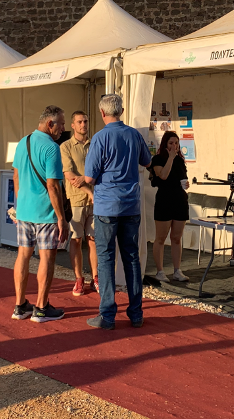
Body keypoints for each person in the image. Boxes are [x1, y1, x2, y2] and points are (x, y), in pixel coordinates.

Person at [83, 94, 152, 330]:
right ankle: (136, 313)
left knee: (106, 259)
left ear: (102, 113)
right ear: (121, 111)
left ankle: (107, 315)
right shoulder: (134, 134)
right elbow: (147, 161)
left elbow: (90, 177)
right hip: (130, 204)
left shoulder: (100, 138)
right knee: (131, 258)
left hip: (106, 206)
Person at [11, 106, 68, 323]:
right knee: (46, 258)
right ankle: (42, 307)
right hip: (45, 212)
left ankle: (20, 305)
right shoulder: (52, 148)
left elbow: (16, 176)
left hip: (25, 211)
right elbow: (53, 186)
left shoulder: (23, 142)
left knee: (23, 256)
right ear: (50, 124)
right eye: (61, 124)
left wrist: (21, 204)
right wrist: (61, 218)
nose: (63, 128)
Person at [61, 110, 97, 296]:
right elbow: (69, 174)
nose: (83, 125)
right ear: (73, 125)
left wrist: (86, 179)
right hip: (76, 199)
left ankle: (95, 278)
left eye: (85, 121)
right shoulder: (66, 146)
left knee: (93, 239)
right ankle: (78, 278)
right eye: (80, 122)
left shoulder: (95, 144)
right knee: (76, 239)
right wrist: (88, 188)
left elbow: (100, 169)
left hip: (95, 200)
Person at [150, 130, 191, 282]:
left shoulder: (180, 160)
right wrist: (171, 158)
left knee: (176, 238)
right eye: (171, 143)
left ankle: (177, 270)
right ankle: (160, 271)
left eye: (176, 143)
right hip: (164, 200)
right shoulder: (158, 159)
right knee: (161, 238)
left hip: (179, 200)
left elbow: (182, 178)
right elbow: (163, 175)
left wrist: (186, 184)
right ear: (165, 144)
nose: (174, 146)